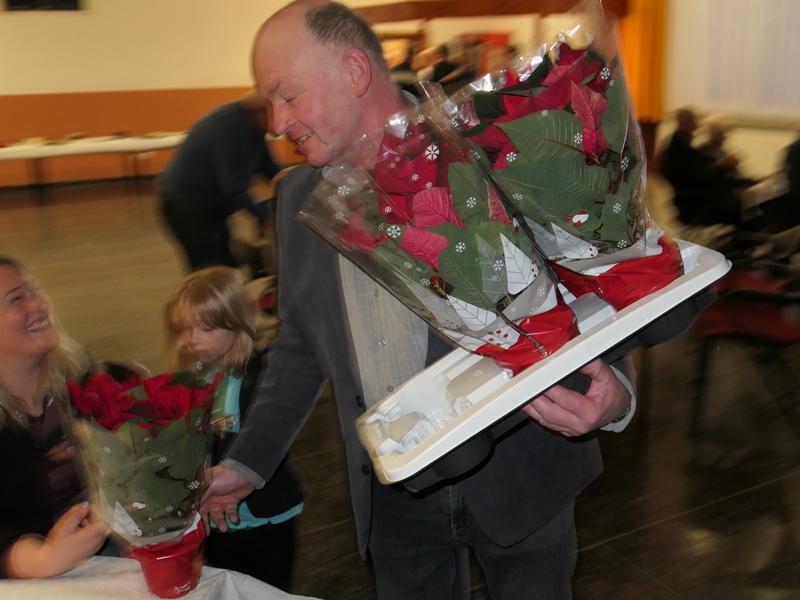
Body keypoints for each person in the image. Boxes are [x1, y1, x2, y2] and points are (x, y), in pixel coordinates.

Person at [201, 3, 635, 599]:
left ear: (355, 72)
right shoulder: (297, 198)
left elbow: (589, 270)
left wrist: (615, 393)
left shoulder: (486, 146)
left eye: (288, 96)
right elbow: (300, 343)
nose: (276, 123)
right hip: (394, 495)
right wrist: (247, 463)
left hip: (521, 472)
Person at [164, 266, 304, 590]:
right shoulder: (192, 379)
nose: (191, 339)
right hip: (217, 520)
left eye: (206, 327)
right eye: (184, 329)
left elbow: (271, 436)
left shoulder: (263, 374)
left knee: (269, 592)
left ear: (237, 323)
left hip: (267, 519)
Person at [0, 256, 109, 579]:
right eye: (16, 299)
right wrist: (42, 558)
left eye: (35, 290)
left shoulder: (78, 377)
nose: (38, 304)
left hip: (109, 552)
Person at [159, 93, 281, 272]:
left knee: (222, 261)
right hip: (187, 206)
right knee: (209, 269)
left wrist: (295, 187)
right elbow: (235, 186)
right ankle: (249, 258)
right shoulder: (230, 127)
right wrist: (265, 217)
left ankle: (247, 257)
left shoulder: (253, 126)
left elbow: (269, 167)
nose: (279, 126)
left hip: (209, 206)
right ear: (260, 113)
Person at [661, 108, 744, 227]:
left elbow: (704, 172)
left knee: (743, 204)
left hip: (698, 201)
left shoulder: (683, 148)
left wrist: (722, 167)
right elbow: (700, 180)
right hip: (697, 205)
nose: (697, 125)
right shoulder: (679, 152)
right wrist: (722, 166)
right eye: (694, 121)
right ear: (685, 123)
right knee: (741, 209)